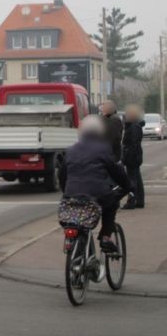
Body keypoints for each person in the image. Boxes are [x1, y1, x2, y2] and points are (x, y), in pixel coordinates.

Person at [58, 115, 131, 253]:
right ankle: (105, 237)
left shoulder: (71, 150)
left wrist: (66, 192)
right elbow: (116, 171)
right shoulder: (103, 149)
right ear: (100, 132)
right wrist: (128, 185)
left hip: (71, 194)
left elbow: (62, 175)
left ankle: (71, 244)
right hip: (97, 194)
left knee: (74, 218)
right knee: (112, 204)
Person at [122, 104, 145, 209]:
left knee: (132, 179)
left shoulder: (134, 127)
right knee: (137, 178)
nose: (125, 115)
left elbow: (133, 144)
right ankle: (140, 200)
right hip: (135, 155)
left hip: (132, 156)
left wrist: (127, 156)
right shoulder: (135, 125)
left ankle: (132, 201)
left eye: (127, 113)